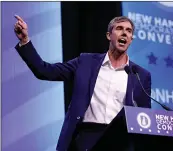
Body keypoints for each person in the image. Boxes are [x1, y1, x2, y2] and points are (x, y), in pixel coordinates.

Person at [14, 15, 151, 151]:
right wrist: (25, 41)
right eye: (119, 28)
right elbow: (45, 71)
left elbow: (143, 120)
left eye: (128, 31)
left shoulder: (140, 75)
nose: (124, 33)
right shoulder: (86, 62)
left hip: (119, 142)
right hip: (84, 138)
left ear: (131, 39)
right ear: (109, 36)